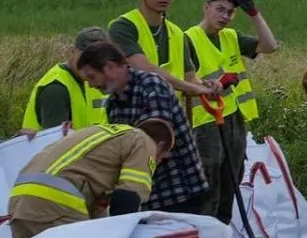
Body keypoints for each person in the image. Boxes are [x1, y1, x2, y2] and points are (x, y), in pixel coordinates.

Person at [78, 42, 212, 216]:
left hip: (180, 193)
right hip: (150, 198)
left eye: (92, 77)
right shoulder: (113, 104)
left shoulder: (151, 85)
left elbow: (156, 141)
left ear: (110, 67)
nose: (91, 85)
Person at [185, 0, 281, 225]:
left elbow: (270, 46)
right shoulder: (188, 39)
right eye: (220, 9)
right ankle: (204, 234)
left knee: (232, 176)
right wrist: (213, 84)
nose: (224, 16)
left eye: (230, 12)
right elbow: (186, 79)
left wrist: (254, 13)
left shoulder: (231, 37)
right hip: (206, 121)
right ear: (206, 8)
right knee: (210, 177)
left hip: (235, 118)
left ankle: (220, 237)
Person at [7, 120, 173, 238]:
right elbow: (127, 199)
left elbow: (97, 217)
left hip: (19, 205)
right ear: (160, 145)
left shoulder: (103, 138)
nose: (156, 163)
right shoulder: (145, 142)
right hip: (57, 204)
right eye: (161, 158)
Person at [110, 0, 217, 101]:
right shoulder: (123, 27)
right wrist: (193, 88)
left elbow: (189, 78)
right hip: (129, 115)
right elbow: (145, 70)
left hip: (166, 115)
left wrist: (207, 86)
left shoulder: (177, 33)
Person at [22, 27, 114, 133]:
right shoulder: (56, 89)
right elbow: (56, 144)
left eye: (97, 60)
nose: (90, 64)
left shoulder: (92, 81)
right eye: (85, 58)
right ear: (71, 52)